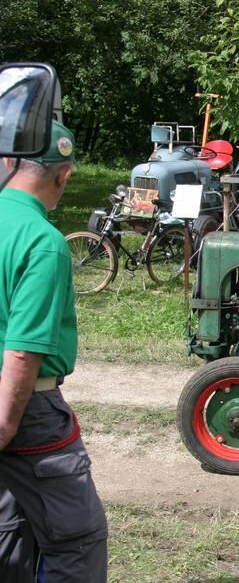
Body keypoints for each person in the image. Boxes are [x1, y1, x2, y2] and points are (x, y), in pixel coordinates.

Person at [0, 126, 109, 580]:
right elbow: (23, 353)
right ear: (64, 176)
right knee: (76, 540)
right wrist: (5, 425)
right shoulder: (42, 241)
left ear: (8, 162)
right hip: (25, 410)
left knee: (9, 529)